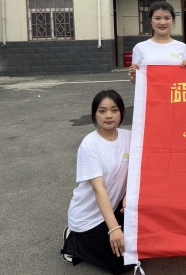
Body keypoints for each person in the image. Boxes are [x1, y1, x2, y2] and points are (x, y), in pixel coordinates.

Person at [61, 90, 134, 274]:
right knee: (123, 264)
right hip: (89, 217)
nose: (109, 115)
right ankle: (73, 241)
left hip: (114, 206)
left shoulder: (129, 137)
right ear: (94, 114)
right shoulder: (90, 145)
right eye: (102, 111)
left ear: (122, 112)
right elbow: (98, 189)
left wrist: (128, 194)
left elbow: (139, 171)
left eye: (114, 110)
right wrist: (114, 229)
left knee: (141, 248)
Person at [129, 1, 186, 83]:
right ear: (150, 21)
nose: (162, 22)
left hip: (174, 91)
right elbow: (134, 81)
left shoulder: (182, 47)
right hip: (150, 91)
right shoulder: (139, 48)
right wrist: (134, 74)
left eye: (167, 18)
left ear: (172, 20)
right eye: (157, 18)